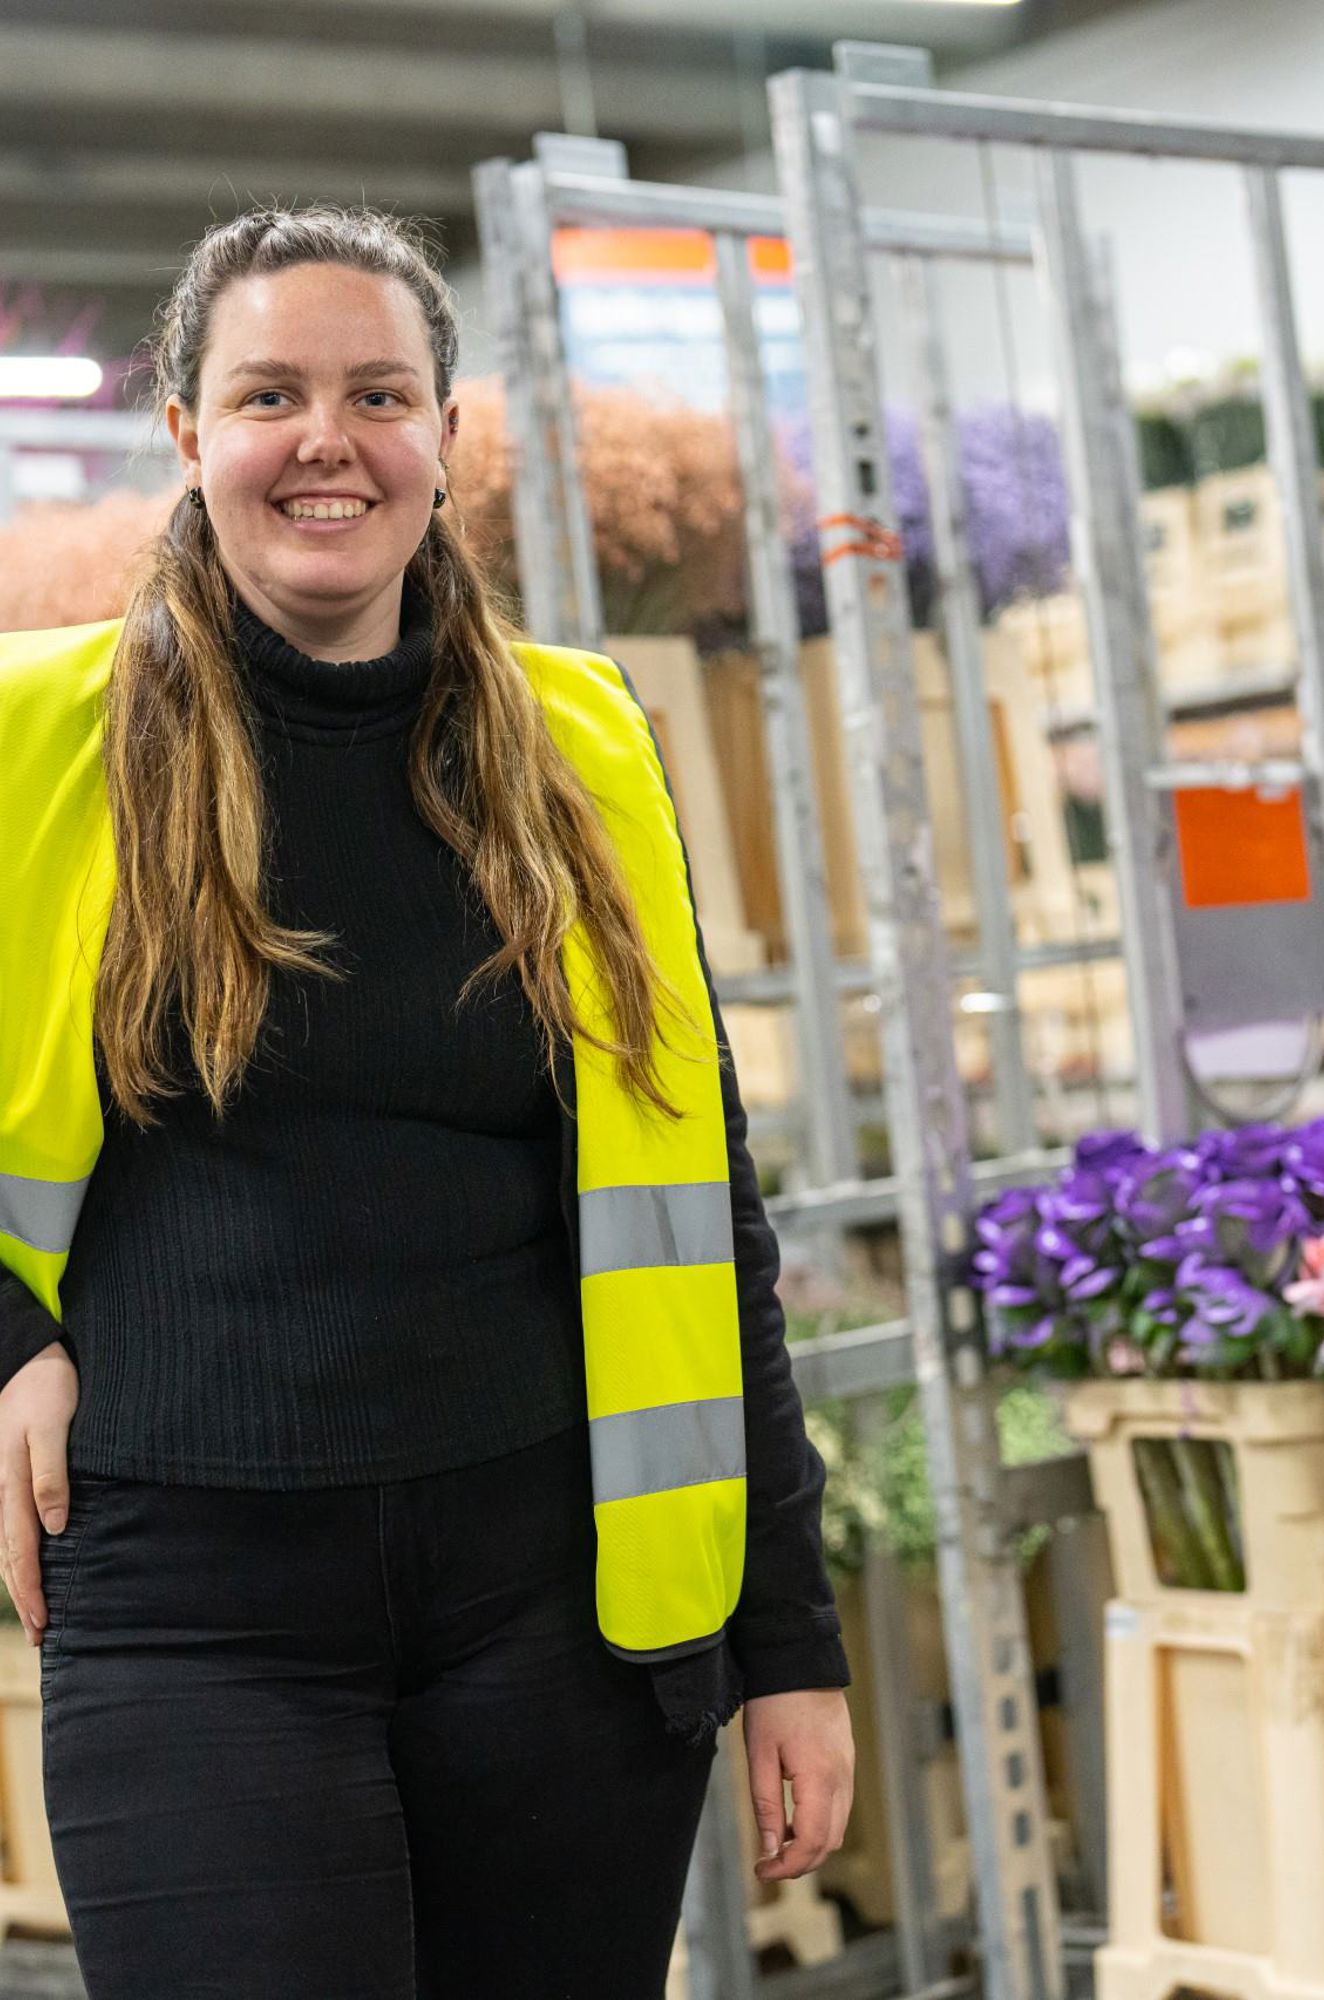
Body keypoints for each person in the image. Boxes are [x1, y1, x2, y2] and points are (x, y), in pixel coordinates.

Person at [0, 203, 854, 1998]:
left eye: (380, 392)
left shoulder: (579, 745)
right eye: (271, 394)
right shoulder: (40, 737)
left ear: (443, 437)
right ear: (187, 433)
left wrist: (789, 1642)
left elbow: (711, 1213)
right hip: (190, 1608)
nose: (329, 439)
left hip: (558, 1614)